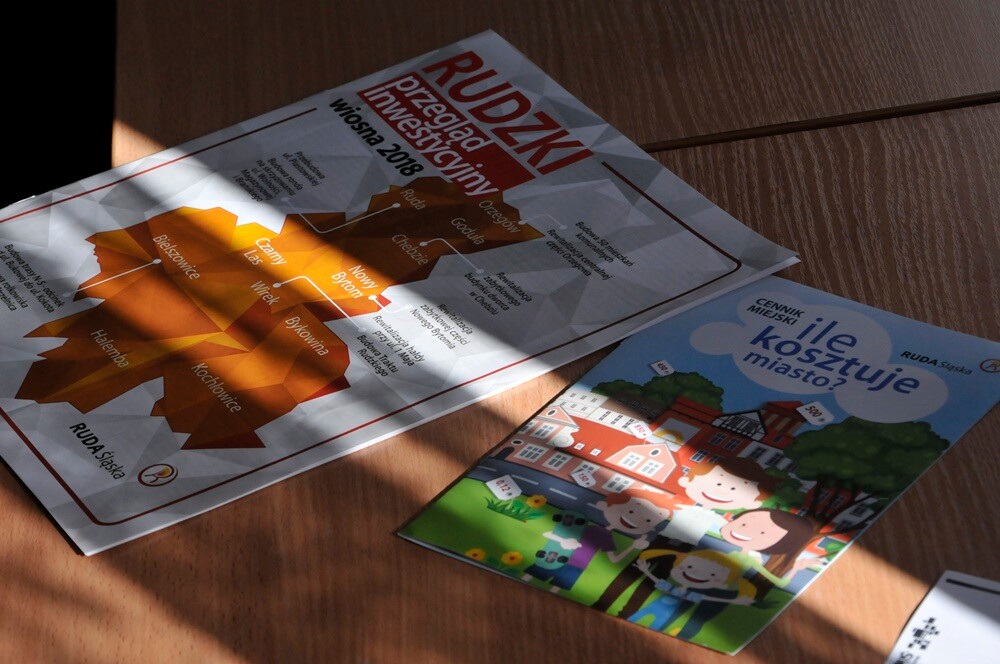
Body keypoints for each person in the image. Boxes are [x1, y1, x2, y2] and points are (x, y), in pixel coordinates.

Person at [592, 457, 778, 615]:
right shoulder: (681, 507)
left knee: (653, 583)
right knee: (630, 573)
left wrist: (751, 551)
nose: (720, 491)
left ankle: (627, 612)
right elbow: (659, 510)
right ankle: (603, 602)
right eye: (719, 483)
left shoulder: (717, 519)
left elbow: (732, 535)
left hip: (682, 550)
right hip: (660, 542)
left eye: (733, 490)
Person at [521, 489, 671, 595]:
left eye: (648, 520)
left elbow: (614, 559)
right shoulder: (581, 524)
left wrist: (633, 547)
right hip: (553, 556)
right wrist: (563, 541)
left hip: (575, 567)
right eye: (630, 511)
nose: (635, 519)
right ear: (605, 506)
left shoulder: (605, 536)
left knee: (555, 591)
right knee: (528, 579)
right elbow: (548, 534)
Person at [626, 549, 753, 632]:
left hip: (668, 615)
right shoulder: (672, 587)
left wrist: (733, 601)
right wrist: (645, 570)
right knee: (635, 617)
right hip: (653, 606)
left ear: (721, 584)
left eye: (713, 575)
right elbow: (658, 581)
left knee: (654, 628)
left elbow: (708, 598)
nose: (695, 572)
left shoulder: (691, 595)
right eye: (689, 566)